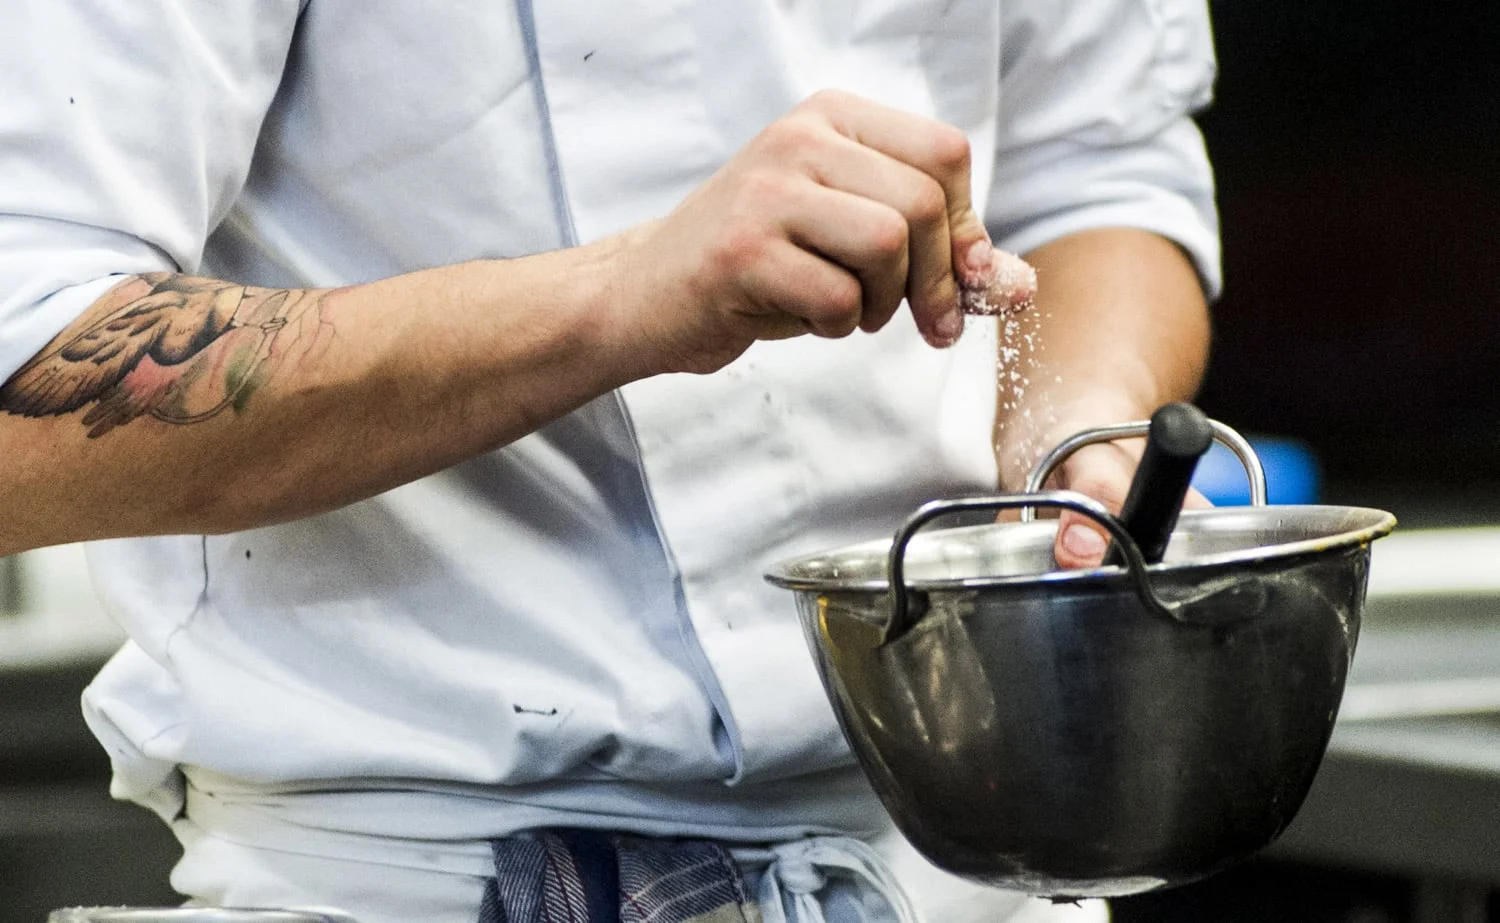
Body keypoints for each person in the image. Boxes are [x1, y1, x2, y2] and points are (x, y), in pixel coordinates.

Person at [0, 1, 1219, 921]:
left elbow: (1097, 168)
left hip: (975, 862)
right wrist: (620, 295)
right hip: (426, 871)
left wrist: (1079, 433)